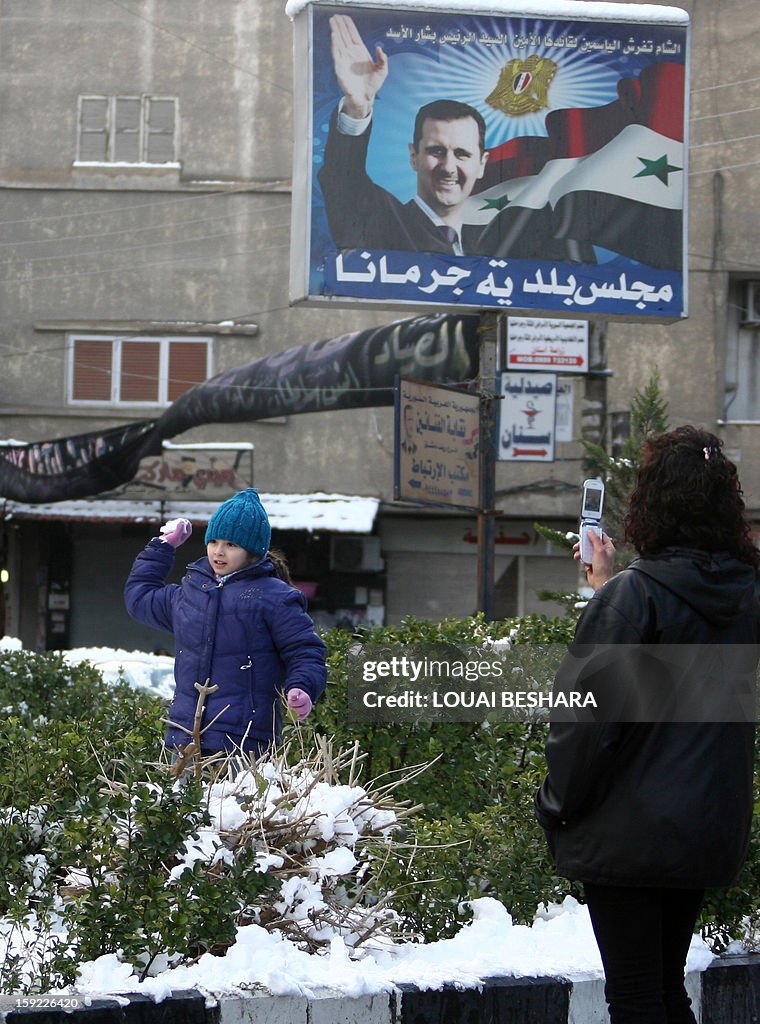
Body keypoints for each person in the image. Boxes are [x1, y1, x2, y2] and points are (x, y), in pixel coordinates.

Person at [535, 426, 760, 1024]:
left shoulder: (634, 599)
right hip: (703, 821)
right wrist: (612, 587)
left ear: (651, 503)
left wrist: (556, 803)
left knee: (636, 996)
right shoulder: (746, 596)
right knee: (664, 990)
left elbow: (589, 722)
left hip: (629, 829)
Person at [124, 488, 327, 761]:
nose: (219, 552)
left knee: (235, 805)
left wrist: (302, 687)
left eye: (231, 545)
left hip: (245, 742)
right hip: (185, 737)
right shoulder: (190, 593)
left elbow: (305, 651)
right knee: (183, 804)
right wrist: (162, 547)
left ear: (252, 551)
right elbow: (139, 599)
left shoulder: (274, 597)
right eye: (214, 541)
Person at [318, 13, 489, 256]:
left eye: (462, 154)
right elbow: (342, 178)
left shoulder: (494, 242)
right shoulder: (381, 219)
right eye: (436, 151)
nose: (449, 167)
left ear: (482, 164)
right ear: (413, 156)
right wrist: (358, 107)